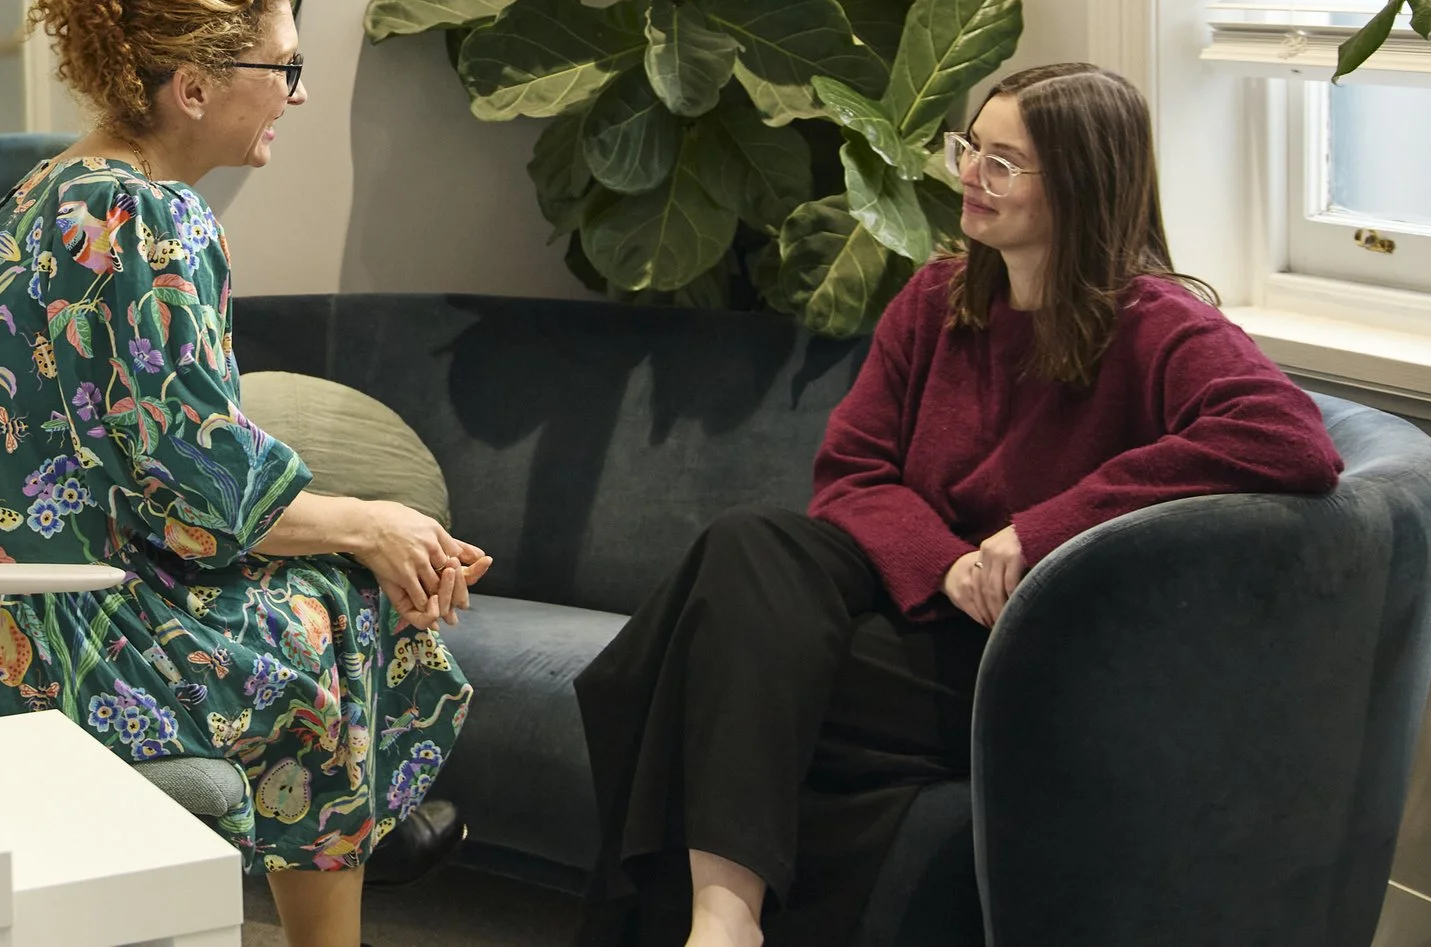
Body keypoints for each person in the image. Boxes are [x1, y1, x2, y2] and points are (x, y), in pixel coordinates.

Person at [570, 62, 1344, 947]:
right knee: (749, 545)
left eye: (1003, 162)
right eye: (969, 147)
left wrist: (1043, 529)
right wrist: (950, 562)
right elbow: (852, 473)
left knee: (702, 655)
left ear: (1084, 184)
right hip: (918, 612)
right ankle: (725, 920)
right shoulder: (938, 297)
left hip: (1025, 655)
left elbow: (1289, 438)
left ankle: (702, 918)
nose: (969, 174)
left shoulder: (1157, 324)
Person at [0, 0, 488, 947]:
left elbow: (147, 462)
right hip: (35, 642)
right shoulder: (155, 217)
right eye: (284, 66)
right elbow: (201, 487)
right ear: (193, 87)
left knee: (342, 573)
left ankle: (356, 824)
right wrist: (374, 522)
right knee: (333, 601)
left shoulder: (47, 188)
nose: (300, 91)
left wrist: (365, 526)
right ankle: (349, 839)